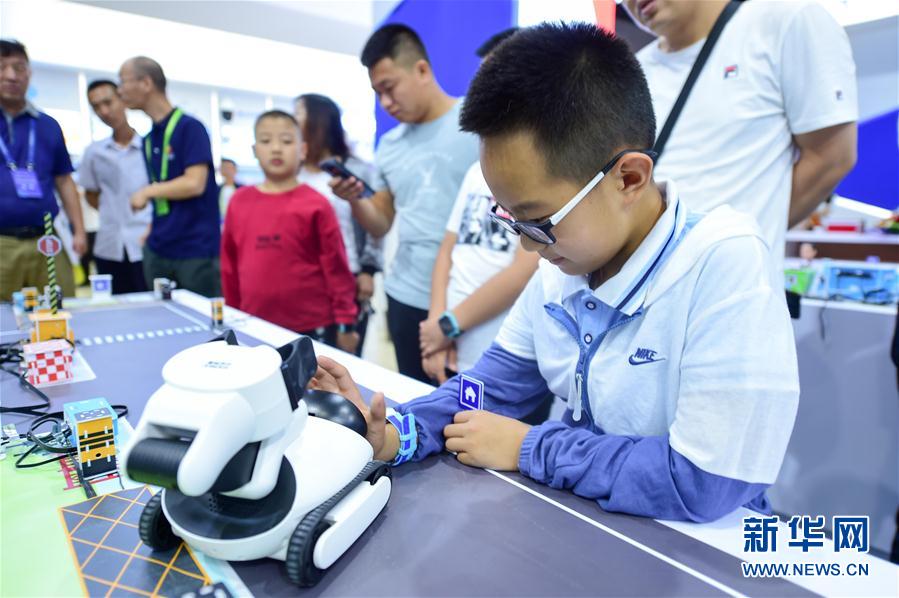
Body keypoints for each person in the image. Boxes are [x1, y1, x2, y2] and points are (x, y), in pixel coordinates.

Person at [312, 23, 800, 523]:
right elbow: (490, 389)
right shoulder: (564, 264)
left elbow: (700, 481)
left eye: (538, 221)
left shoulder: (722, 264)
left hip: (711, 545)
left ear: (629, 179)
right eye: (510, 220)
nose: (527, 245)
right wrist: (397, 431)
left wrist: (530, 447)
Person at [624, 0, 857, 271]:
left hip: (734, 282)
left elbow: (832, 157)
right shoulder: (633, 69)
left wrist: (740, 240)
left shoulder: (784, 21)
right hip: (640, 284)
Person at [417, 27, 552, 426]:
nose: (482, 93)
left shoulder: (544, 172)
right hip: (451, 340)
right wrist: (437, 325)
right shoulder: (477, 171)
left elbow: (524, 270)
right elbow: (448, 249)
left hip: (499, 350)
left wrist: (449, 324)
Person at [331, 24, 478, 382]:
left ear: (422, 70)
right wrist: (355, 199)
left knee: (469, 405)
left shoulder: (476, 125)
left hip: (468, 297)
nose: (385, 103)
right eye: (377, 93)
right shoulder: (389, 145)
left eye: (389, 87)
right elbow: (382, 222)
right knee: (415, 397)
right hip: (405, 295)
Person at [221, 110, 358, 353]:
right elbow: (229, 266)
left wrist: (346, 323)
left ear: (303, 150)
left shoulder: (317, 203)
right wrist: (233, 315)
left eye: (286, 141)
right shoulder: (239, 201)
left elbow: (336, 267)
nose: (276, 149)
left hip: (313, 325)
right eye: (266, 141)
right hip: (254, 325)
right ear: (254, 150)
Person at [118, 56, 221, 297]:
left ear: (146, 83)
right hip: (159, 247)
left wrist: (147, 192)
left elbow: (195, 183)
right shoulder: (148, 139)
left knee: (201, 318)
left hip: (194, 249)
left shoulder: (190, 128)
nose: (120, 91)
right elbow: (164, 188)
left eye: (123, 82)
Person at [295, 93, 383, 356]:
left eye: (298, 114)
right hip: (305, 278)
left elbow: (375, 225)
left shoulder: (356, 169)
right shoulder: (294, 172)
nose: (293, 120)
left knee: (345, 355)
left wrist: (368, 270)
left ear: (318, 121)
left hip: (349, 274)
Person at [0, 39, 85, 300]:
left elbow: (64, 181)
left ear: (29, 73)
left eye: (19, 68)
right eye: (2, 67)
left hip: (46, 239)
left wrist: (79, 230)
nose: (11, 75)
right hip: (2, 242)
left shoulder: (48, 125)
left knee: (62, 307)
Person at [79, 79, 152, 294]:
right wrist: (113, 210)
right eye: (96, 107)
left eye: (108, 102)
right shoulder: (94, 152)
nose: (104, 111)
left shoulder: (149, 148)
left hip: (145, 244)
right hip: (109, 245)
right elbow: (91, 194)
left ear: (122, 99)